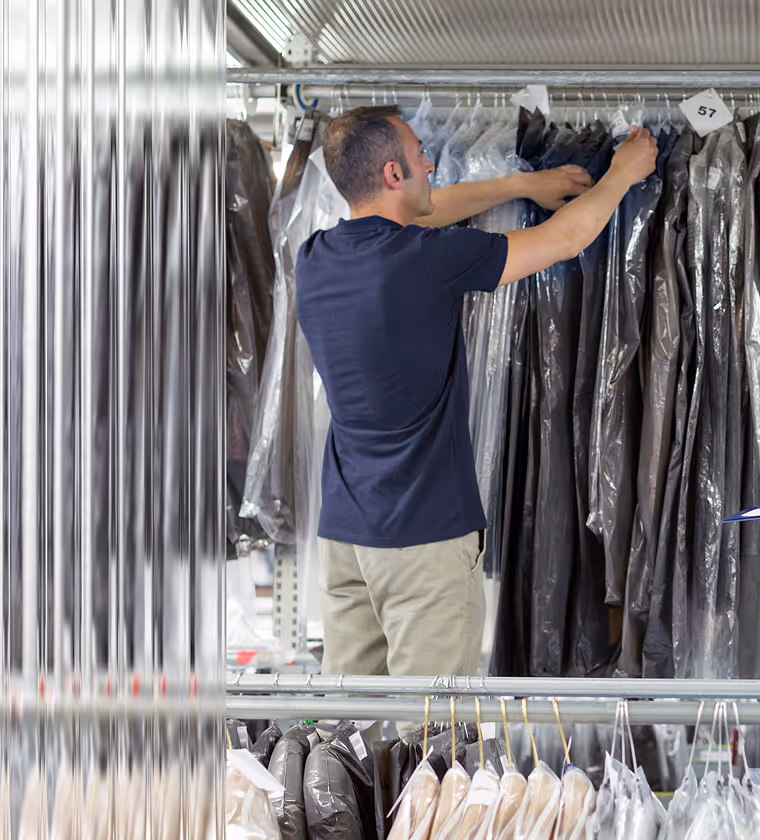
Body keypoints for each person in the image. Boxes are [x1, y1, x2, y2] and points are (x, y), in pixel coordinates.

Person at [296, 106, 657, 702]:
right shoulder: (427, 262)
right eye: (418, 157)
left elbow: (430, 209)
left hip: (345, 538)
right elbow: (565, 239)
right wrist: (623, 173)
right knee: (436, 748)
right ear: (392, 173)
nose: (430, 163)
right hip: (424, 543)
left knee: (352, 733)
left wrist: (523, 184)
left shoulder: (315, 259)